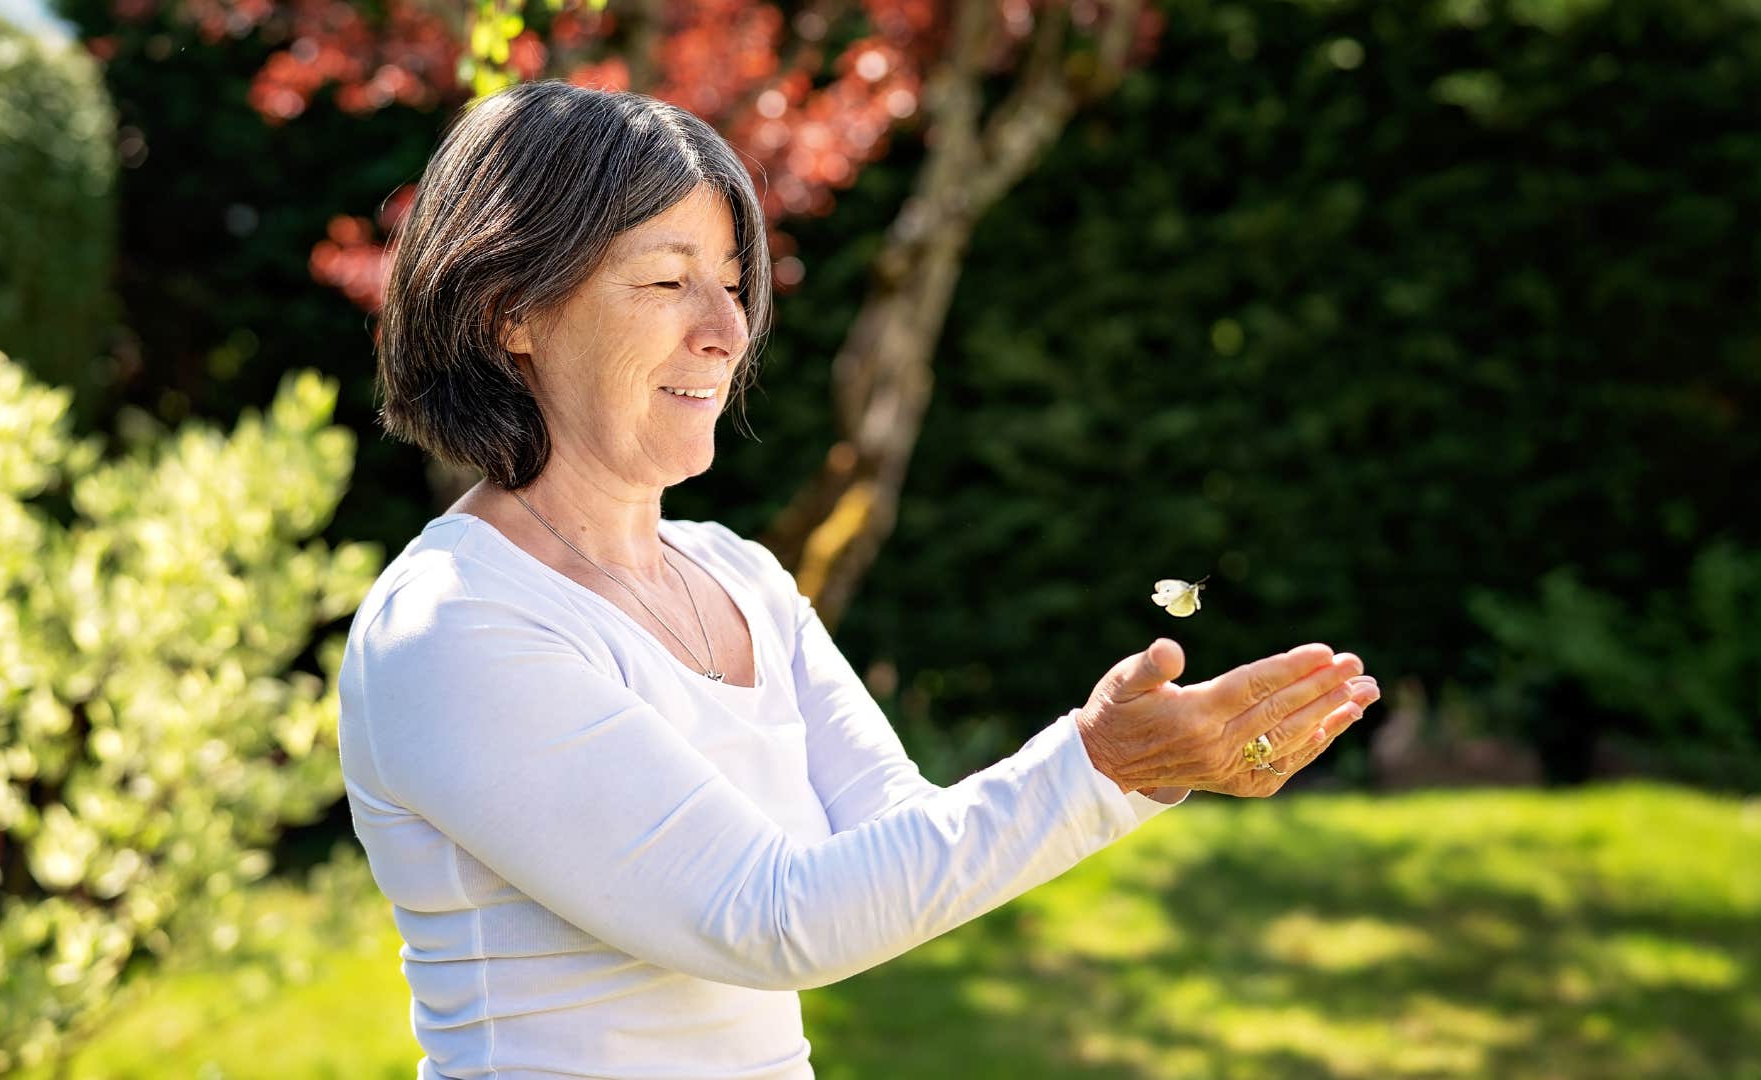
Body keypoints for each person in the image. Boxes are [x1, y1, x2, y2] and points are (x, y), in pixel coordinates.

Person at [336, 80, 1381, 1080]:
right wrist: (1099, 767)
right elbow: (769, 917)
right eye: (666, 280)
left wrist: (1145, 766)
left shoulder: (740, 577)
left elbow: (891, 860)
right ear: (507, 310)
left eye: (736, 286)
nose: (728, 329)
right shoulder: (453, 627)